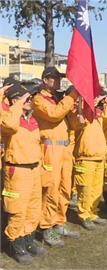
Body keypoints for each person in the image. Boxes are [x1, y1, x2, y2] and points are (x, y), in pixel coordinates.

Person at [33, 66, 80, 246]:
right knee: (50, 189)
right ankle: (46, 227)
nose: (58, 81)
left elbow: (72, 124)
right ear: (45, 80)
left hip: (64, 149)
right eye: (54, 78)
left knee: (64, 187)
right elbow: (54, 115)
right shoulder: (38, 99)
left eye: (59, 78)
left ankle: (59, 221)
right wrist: (72, 96)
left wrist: (78, 116)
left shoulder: (59, 99)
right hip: (49, 149)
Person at [1, 83, 47, 264]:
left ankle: (28, 241)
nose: (31, 100)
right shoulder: (8, 117)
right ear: (15, 100)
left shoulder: (32, 118)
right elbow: (10, 126)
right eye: (26, 98)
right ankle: (16, 244)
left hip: (34, 169)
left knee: (34, 208)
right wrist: (13, 103)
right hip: (17, 171)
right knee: (17, 210)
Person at [68, 89, 107, 230]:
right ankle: (84, 214)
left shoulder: (95, 115)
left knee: (96, 188)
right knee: (85, 188)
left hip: (98, 157)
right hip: (85, 158)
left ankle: (92, 212)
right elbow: (77, 124)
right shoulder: (77, 114)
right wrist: (82, 108)